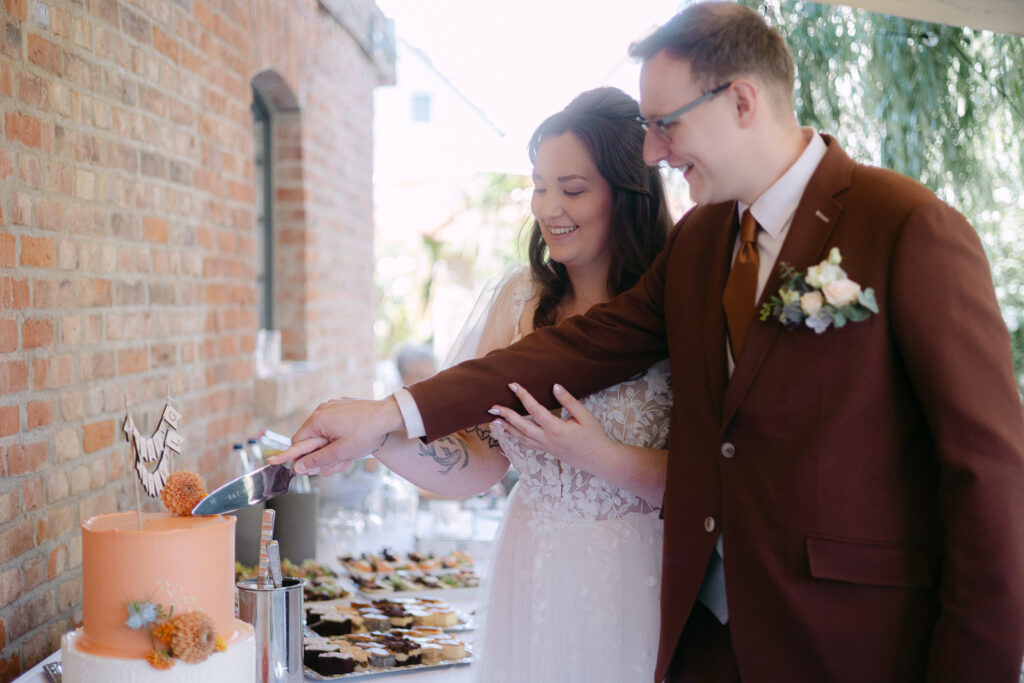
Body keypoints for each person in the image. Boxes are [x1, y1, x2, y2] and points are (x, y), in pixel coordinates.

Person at [272, 3, 1024, 681]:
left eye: (667, 123)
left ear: (740, 100)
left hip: (846, 639)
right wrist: (387, 415)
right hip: (696, 638)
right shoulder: (701, 241)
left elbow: (990, 481)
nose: (655, 150)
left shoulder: (907, 227)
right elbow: (578, 347)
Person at [318, 87, 674, 681]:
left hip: (639, 571)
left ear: (628, 193)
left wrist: (599, 457)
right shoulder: (519, 302)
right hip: (531, 566)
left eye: (573, 189)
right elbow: (481, 457)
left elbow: (711, 480)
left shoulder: (674, 308)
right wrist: (377, 438)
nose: (547, 207)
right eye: (539, 185)